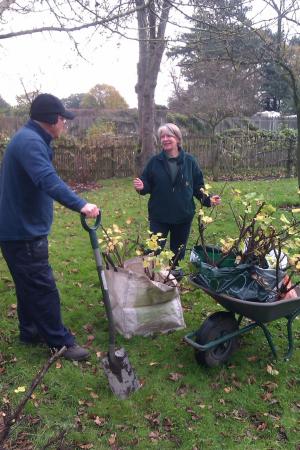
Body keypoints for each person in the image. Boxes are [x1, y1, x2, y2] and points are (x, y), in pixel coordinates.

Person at [0, 93, 100, 361]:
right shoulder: (30, 142)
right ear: (54, 120)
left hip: (16, 229)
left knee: (27, 284)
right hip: (23, 233)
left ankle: (30, 331)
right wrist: (81, 204)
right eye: (63, 120)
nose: (65, 125)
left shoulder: (28, 138)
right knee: (43, 287)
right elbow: (48, 180)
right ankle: (60, 343)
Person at [133, 123, 220, 278]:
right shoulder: (155, 161)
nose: (165, 139)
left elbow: (198, 186)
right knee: (153, 250)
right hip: (159, 215)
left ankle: (173, 281)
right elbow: (146, 184)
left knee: (177, 252)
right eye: (162, 137)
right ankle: (151, 280)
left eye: (169, 136)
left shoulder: (190, 161)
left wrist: (208, 199)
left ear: (177, 139)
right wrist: (141, 186)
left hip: (183, 215)